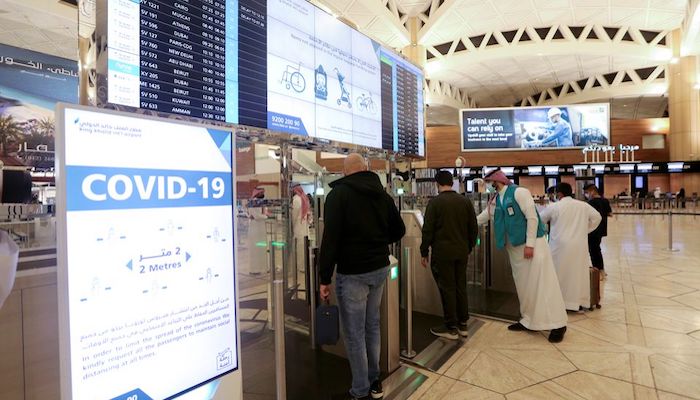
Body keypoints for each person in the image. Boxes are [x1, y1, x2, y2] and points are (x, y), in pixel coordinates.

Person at [319, 153, 406, 400]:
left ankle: (360, 390)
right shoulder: (382, 194)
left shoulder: (338, 196)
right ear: (365, 169)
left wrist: (325, 278)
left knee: (355, 333)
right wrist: (377, 242)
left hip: (353, 273)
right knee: (372, 325)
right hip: (379, 269)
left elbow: (331, 240)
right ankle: (374, 380)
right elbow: (399, 229)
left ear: (346, 172)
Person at [476, 169, 568, 343]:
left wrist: (530, 244)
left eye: (489, 183)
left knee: (543, 283)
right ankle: (528, 320)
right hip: (514, 248)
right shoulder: (496, 199)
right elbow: (486, 216)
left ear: (497, 181)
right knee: (524, 286)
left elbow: (532, 218)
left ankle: (558, 324)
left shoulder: (519, 192)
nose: (488, 186)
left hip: (532, 246)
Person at [420, 170, 478, 340]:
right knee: (460, 286)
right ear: (451, 183)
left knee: (447, 288)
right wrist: (468, 246)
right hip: (461, 252)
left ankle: (450, 326)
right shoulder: (465, 201)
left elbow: (428, 230)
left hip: (442, 253)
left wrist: (424, 252)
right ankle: (463, 324)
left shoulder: (435, 203)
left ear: (437, 184)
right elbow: (473, 228)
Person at [540, 183, 601, 311]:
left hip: (559, 246)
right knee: (577, 273)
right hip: (578, 245)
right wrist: (585, 230)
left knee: (559, 273)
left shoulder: (555, 206)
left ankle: (559, 301)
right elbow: (597, 217)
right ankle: (577, 302)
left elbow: (540, 219)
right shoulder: (583, 205)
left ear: (560, 194)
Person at [584, 184, 612, 274]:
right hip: (602, 229)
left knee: (593, 250)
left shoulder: (590, 203)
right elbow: (610, 214)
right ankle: (601, 269)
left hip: (592, 229)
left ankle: (598, 270)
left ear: (592, 191)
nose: (587, 194)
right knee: (596, 248)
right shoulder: (605, 201)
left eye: (587, 192)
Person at [291, 183, 311, 273]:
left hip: (298, 227)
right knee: (304, 247)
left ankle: (301, 267)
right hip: (305, 227)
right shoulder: (305, 199)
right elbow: (310, 215)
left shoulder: (296, 199)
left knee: (300, 248)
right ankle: (304, 266)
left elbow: (294, 215)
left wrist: (292, 225)